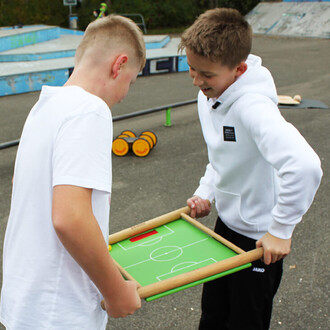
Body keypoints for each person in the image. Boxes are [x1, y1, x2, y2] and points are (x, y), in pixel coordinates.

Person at [179, 8, 323, 330]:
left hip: (259, 241)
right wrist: (205, 193)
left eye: (206, 74)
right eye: (191, 70)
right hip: (226, 227)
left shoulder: (252, 107)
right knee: (213, 316)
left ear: (239, 69)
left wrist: (280, 231)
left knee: (246, 322)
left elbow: (305, 166)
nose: (197, 81)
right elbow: (223, 156)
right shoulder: (210, 94)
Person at [0, 14, 146, 329]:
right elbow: (70, 217)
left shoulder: (43, 108)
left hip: (25, 302)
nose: (124, 95)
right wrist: (115, 290)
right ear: (118, 65)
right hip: (59, 312)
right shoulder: (90, 110)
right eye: (130, 82)